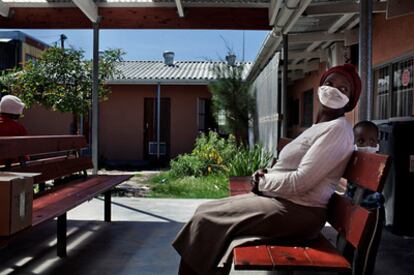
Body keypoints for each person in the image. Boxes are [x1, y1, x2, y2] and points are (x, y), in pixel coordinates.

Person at [172, 64, 362, 275]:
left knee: (206, 219)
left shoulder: (337, 130)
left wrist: (261, 184)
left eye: (344, 89)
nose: (333, 90)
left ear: (351, 101)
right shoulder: (322, 126)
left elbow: (301, 182)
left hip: (298, 210)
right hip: (285, 201)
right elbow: (292, 170)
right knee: (205, 212)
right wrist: (266, 175)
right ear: (320, 87)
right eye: (329, 83)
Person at [347, 121, 383, 209]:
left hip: (372, 211)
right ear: (353, 143)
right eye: (361, 141)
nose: (367, 145)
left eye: (371, 141)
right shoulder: (352, 161)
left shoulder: (379, 165)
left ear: (377, 144)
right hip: (355, 209)